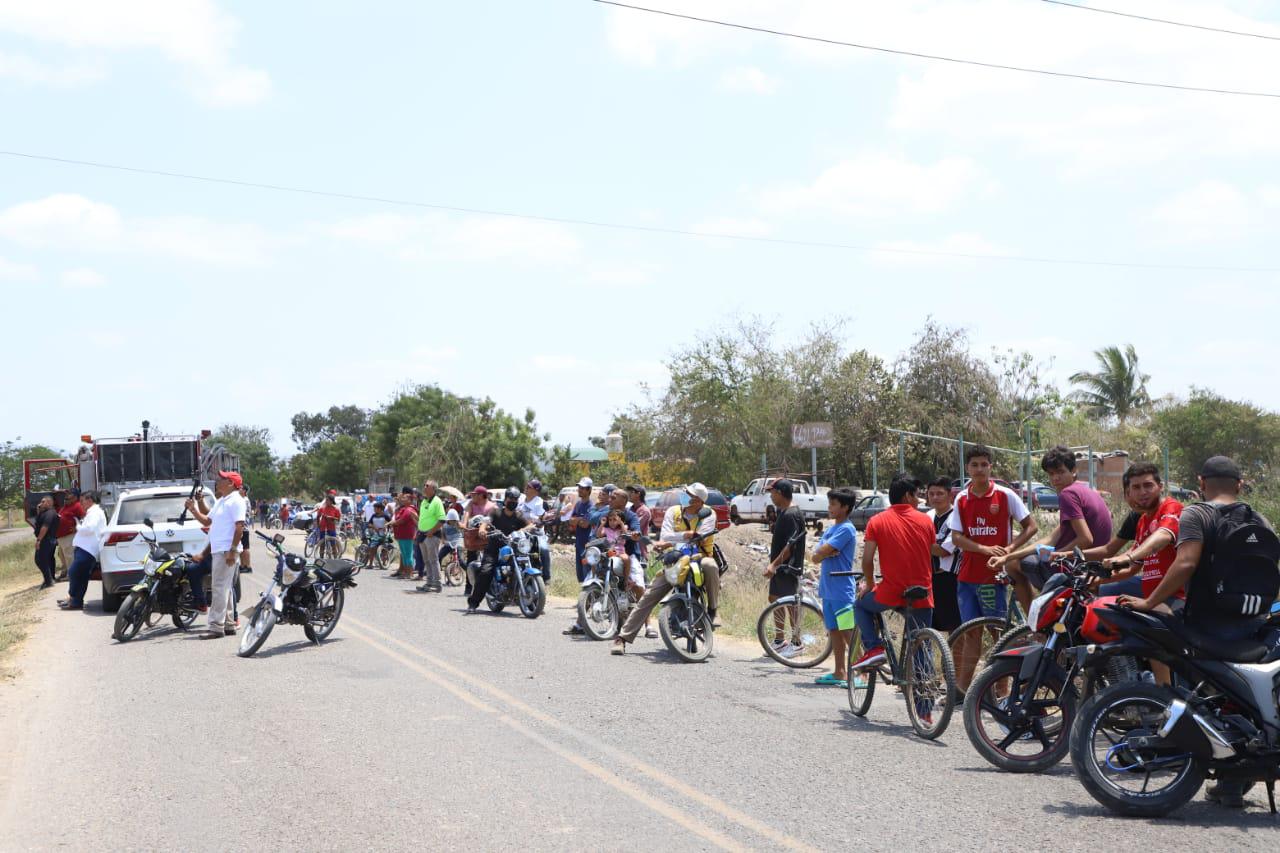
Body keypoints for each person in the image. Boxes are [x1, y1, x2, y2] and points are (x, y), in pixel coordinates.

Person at [1121, 455, 1280, 809]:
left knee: (1209, 700)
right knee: (1239, 701)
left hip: (1207, 623)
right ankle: (1232, 785)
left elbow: (1186, 562)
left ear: (1202, 483)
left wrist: (1150, 602)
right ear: (1240, 484)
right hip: (1252, 620)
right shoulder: (1259, 518)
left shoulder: (1197, 514)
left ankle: (1216, 769)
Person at [947, 445, 1037, 690]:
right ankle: (963, 691)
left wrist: (1010, 549)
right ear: (967, 468)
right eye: (974, 465)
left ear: (990, 467)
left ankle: (1002, 691)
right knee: (971, 634)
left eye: (984, 464)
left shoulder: (1005, 495)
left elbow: (1031, 526)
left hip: (994, 577)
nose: (979, 469)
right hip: (967, 577)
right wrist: (984, 548)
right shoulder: (961, 498)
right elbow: (956, 538)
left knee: (999, 634)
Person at [1000, 446, 1112, 612]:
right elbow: (1050, 539)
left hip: (1074, 569)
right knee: (1015, 559)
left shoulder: (1068, 494)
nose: (1055, 478)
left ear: (1073, 471)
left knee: (1012, 566)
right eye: (1051, 474)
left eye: (1060, 472)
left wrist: (1057, 555)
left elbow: (1085, 539)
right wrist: (1010, 555)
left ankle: (1035, 622)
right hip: (1094, 567)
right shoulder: (1086, 490)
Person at [612, 483, 719, 654]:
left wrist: (676, 539)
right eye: (685, 492)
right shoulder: (673, 511)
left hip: (700, 557)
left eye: (689, 494)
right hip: (676, 560)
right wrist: (686, 535)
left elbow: (701, 537)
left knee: (711, 565)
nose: (684, 495)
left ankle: (713, 609)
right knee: (649, 596)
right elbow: (665, 536)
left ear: (698, 500)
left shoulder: (709, 513)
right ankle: (622, 638)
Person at [852, 477, 936, 673]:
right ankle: (924, 690)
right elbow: (931, 550)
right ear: (907, 495)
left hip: (891, 592)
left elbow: (867, 560)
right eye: (917, 495)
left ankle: (874, 648)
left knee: (860, 605)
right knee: (922, 645)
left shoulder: (877, 521)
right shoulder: (926, 520)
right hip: (922, 592)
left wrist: (870, 584)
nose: (919, 501)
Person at [803, 488, 860, 684]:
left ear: (845, 507)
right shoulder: (830, 529)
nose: (829, 508)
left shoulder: (846, 529)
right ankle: (839, 672)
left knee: (847, 631)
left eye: (833, 504)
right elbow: (816, 556)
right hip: (828, 588)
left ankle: (863, 673)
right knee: (834, 631)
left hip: (841, 590)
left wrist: (823, 551)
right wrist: (823, 551)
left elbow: (820, 552)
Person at [184, 471, 247, 639]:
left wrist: (232, 550)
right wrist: (193, 508)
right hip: (220, 549)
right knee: (224, 587)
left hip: (226, 550)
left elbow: (239, 527)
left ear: (231, 483)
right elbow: (207, 520)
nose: (217, 481)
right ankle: (228, 624)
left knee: (219, 587)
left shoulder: (236, 501)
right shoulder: (222, 500)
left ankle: (216, 627)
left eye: (222, 478)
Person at [465, 488, 535, 613]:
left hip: (513, 548)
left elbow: (530, 525)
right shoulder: (496, 512)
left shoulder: (518, 515)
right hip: (494, 548)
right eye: (511, 499)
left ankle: (533, 603)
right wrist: (482, 529)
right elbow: (486, 521)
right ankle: (473, 603)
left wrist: (523, 530)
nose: (513, 501)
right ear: (505, 499)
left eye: (515, 499)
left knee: (527, 564)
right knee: (486, 571)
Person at [762, 479, 806, 653]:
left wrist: (773, 565)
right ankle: (780, 640)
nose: (771, 496)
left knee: (790, 603)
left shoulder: (791, 515)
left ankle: (797, 642)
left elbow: (790, 546)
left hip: (788, 568)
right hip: (780, 568)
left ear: (780, 493)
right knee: (775, 598)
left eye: (772, 493)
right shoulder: (783, 512)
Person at [924, 477, 961, 634]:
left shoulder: (958, 517)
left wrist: (918, 544)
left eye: (940, 494)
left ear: (950, 495)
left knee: (955, 628)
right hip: (928, 578)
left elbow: (943, 551)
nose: (935, 498)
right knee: (928, 628)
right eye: (931, 494)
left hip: (950, 579)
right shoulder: (927, 516)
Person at [57, 490, 106, 610]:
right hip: (85, 548)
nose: (81, 504)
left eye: (82, 501)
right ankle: (75, 601)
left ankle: (73, 598)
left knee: (74, 572)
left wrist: (78, 526)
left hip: (88, 549)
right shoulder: (92, 512)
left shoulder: (95, 513)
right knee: (81, 576)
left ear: (90, 500)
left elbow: (89, 528)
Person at [517, 479, 551, 584]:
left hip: (536, 533)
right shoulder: (520, 499)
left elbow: (541, 518)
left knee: (544, 549)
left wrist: (537, 522)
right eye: (526, 485)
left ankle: (546, 577)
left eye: (529, 487)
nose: (526, 488)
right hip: (521, 532)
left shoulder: (539, 502)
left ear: (536, 491)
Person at [415, 481, 445, 592]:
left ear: (433, 489)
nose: (424, 487)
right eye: (424, 485)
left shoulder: (437, 501)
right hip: (422, 534)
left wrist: (432, 532)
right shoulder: (424, 501)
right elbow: (422, 518)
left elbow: (442, 520)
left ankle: (437, 583)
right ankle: (429, 582)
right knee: (426, 560)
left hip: (432, 535)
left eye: (427, 486)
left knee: (433, 560)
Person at [55, 489, 85, 581]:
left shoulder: (77, 506)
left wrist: (77, 527)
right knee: (62, 556)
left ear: (75, 497)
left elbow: (84, 518)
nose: (67, 496)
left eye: (69, 494)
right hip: (61, 537)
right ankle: (66, 572)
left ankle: (72, 575)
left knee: (69, 556)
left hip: (69, 536)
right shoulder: (66, 506)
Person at [32, 495, 60, 588]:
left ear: (49, 503)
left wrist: (39, 540)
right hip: (48, 539)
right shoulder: (44, 512)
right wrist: (39, 511)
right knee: (48, 559)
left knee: (40, 560)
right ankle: (50, 578)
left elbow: (45, 527)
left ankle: (49, 580)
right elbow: (38, 523)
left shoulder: (50, 513)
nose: (40, 503)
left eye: (43, 502)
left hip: (47, 539)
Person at [391, 491, 419, 574]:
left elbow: (402, 520)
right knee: (404, 554)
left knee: (408, 555)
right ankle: (406, 572)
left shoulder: (409, 509)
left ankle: (409, 573)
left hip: (407, 535)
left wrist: (393, 523)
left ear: (410, 500)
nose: (402, 499)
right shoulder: (404, 509)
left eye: (404, 498)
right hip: (402, 535)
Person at [627, 485, 651, 564]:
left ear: (638, 494)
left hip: (639, 549)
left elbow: (635, 527)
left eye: (632, 492)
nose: (629, 494)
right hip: (629, 547)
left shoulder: (644, 511)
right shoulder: (630, 509)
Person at [315, 492, 342, 562]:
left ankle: (335, 559)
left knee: (333, 544)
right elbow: (318, 517)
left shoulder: (336, 509)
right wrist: (318, 524)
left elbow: (338, 519)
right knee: (322, 544)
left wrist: (332, 517)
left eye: (328, 500)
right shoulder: (322, 508)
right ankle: (321, 559)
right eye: (326, 500)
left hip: (331, 528)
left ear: (331, 501)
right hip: (323, 527)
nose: (326, 501)